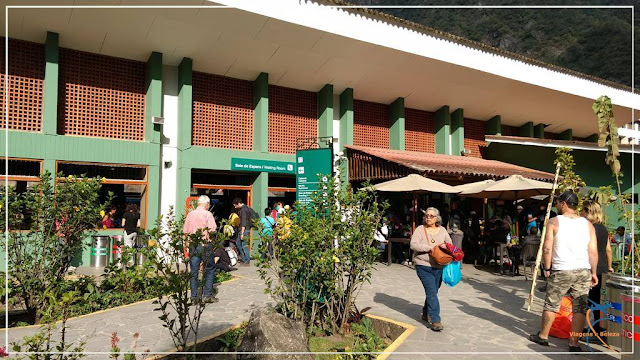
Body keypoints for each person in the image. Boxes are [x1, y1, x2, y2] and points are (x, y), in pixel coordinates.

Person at [529, 191, 598, 352]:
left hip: (561, 269)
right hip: (583, 270)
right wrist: (593, 272)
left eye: (558, 203)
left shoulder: (554, 222)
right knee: (580, 307)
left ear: (564, 204)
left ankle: (544, 336)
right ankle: (574, 343)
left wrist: (547, 268)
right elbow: (593, 251)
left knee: (551, 304)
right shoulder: (588, 225)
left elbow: (547, 247)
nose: (557, 205)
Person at [410, 207, 453, 332]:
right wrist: (429, 248)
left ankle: (425, 313)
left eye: (431, 216)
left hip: (439, 266)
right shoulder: (420, 229)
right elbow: (413, 244)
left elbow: (450, 245)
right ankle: (435, 320)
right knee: (431, 291)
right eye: (426, 215)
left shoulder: (443, 230)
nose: (428, 217)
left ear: (437, 218)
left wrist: (445, 246)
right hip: (423, 265)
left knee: (433, 291)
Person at [582, 200, 612, 337]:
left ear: (589, 211)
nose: (581, 213)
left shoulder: (588, 227)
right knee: (599, 298)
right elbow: (608, 250)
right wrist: (610, 266)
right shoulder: (604, 228)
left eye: (583, 210)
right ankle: (599, 327)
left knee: (587, 299)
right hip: (603, 267)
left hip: (590, 265)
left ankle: (589, 326)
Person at [183, 195, 218, 303]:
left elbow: (185, 231)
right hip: (205, 244)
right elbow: (212, 230)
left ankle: (194, 297)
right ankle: (207, 295)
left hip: (193, 244)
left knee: (193, 271)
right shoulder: (208, 214)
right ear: (206, 204)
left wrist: (187, 246)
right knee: (210, 269)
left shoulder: (190, 214)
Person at [232, 198, 253, 266]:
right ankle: (245, 259)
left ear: (238, 204)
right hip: (244, 229)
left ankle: (246, 260)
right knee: (239, 243)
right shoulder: (246, 208)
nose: (235, 207)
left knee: (244, 245)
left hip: (244, 229)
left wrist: (242, 233)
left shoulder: (243, 210)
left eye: (235, 205)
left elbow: (244, 221)